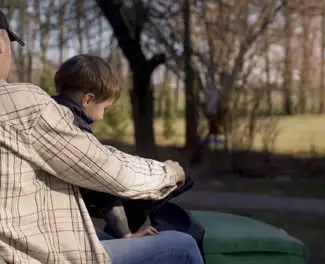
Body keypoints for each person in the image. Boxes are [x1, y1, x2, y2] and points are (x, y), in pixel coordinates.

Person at [0, 10, 203, 264]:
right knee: (181, 246)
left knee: (97, 237)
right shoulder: (25, 107)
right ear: (1, 44)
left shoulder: (45, 112)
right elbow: (108, 172)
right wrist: (170, 174)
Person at [51, 54, 157, 239]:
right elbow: (102, 189)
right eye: (104, 109)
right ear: (88, 100)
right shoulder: (75, 132)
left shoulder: (46, 113)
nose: (101, 117)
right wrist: (127, 236)